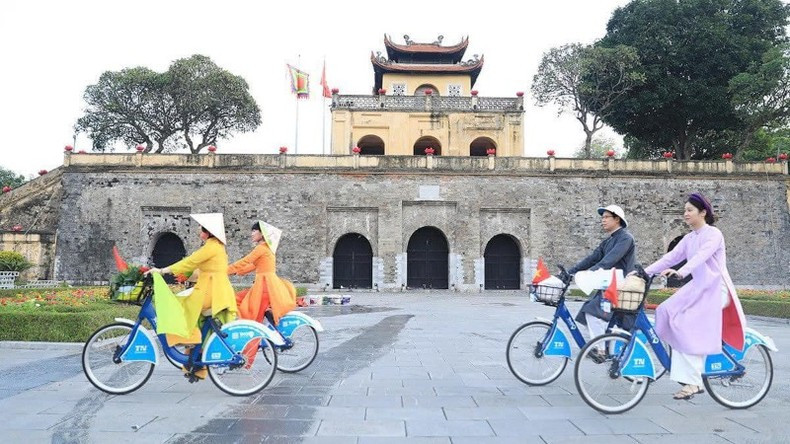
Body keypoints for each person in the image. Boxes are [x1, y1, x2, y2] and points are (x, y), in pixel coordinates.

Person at [643, 193, 746, 400]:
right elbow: (670, 257)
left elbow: (702, 257)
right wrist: (644, 272)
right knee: (666, 310)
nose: (685, 214)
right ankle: (686, 373)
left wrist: (682, 272)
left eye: (690, 210)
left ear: (703, 212)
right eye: (685, 210)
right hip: (698, 286)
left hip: (716, 288)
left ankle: (693, 382)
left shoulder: (713, 234)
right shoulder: (689, 238)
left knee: (687, 324)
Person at [146, 213, 238, 380]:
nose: (198, 230)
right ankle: (195, 354)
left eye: (201, 228)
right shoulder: (215, 246)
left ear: (208, 232)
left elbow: (189, 262)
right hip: (212, 288)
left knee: (181, 305)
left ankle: (187, 341)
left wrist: (161, 270)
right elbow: (197, 268)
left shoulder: (211, 247)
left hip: (212, 291)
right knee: (185, 302)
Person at [568, 205, 637, 342]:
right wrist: (570, 272)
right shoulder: (608, 241)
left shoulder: (625, 238)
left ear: (617, 219)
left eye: (606, 217)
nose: (603, 220)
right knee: (586, 312)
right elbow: (592, 258)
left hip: (621, 285)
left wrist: (591, 272)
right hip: (609, 285)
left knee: (592, 312)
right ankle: (603, 343)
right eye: (602, 217)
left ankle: (599, 349)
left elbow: (609, 260)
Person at [228, 221, 297, 331]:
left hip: (263, 287)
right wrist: (238, 272)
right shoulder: (267, 249)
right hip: (268, 286)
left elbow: (246, 261)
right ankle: (272, 333)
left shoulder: (260, 248)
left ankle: (256, 341)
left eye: (254, 231)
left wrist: (225, 270)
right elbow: (254, 265)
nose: (252, 234)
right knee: (251, 307)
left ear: (262, 233)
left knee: (249, 312)